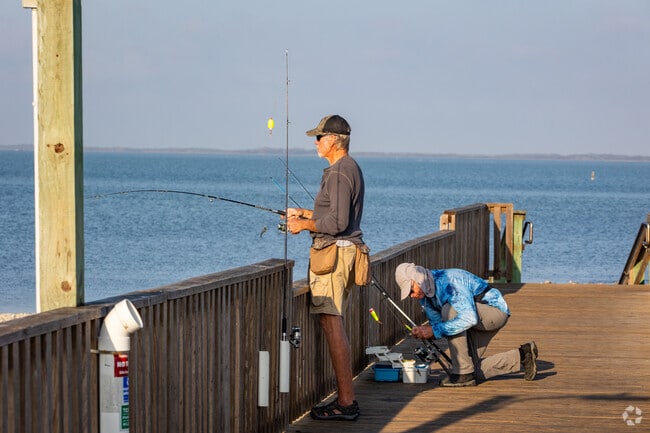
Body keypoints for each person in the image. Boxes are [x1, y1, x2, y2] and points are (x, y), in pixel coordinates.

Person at [285, 114, 364, 421]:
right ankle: (346, 400)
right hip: (342, 252)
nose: (315, 142)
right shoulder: (349, 169)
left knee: (333, 326)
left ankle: (346, 403)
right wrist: (305, 212)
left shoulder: (339, 171)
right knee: (334, 324)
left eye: (318, 137)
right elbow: (335, 214)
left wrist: (303, 225)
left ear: (333, 140)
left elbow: (339, 222)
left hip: (334, 256)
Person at [394, 263, 538, 387]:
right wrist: (423, 332)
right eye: (409, 294)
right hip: (473, 318)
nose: (411, 295)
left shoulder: (450, 281)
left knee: (449, 310)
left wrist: (434, 330)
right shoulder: (425, 297)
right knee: (473, 371)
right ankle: (523, 355)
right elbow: (438, 327)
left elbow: (469, 318)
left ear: (418, 280)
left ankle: (462, 374)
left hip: (494, 312)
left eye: (411, 290)